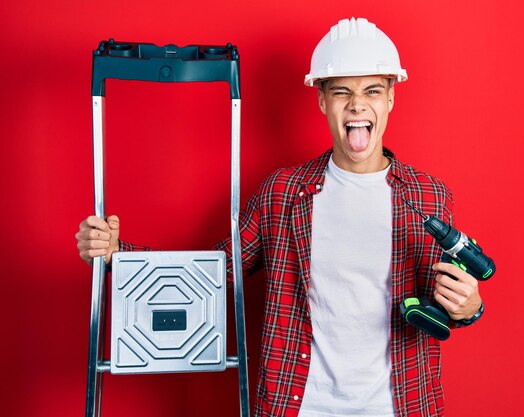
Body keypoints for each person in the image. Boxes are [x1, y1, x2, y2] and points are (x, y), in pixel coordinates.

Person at [76, 17, 483, 417]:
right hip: (300, 403)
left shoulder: (429, 196)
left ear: (390, 98)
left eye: (372, 90)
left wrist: (469, 307)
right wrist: (117, 255)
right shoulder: (283, 193)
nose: (357, 103)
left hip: (400, 405)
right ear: (322, 100)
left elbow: (439, 304)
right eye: (342, 92)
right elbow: (219, 275)